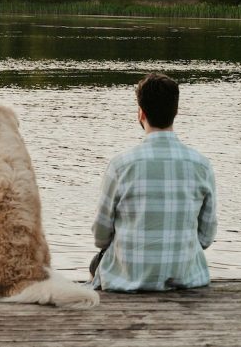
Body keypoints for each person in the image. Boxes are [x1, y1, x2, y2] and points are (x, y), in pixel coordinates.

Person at [89, 73, 218, 292]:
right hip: (186, 277)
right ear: (175, 112)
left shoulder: (120, 165)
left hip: (127, 278)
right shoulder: (202, 165)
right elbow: (205, 238)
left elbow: (101, 236)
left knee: (96, 264)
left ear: (141, 113)